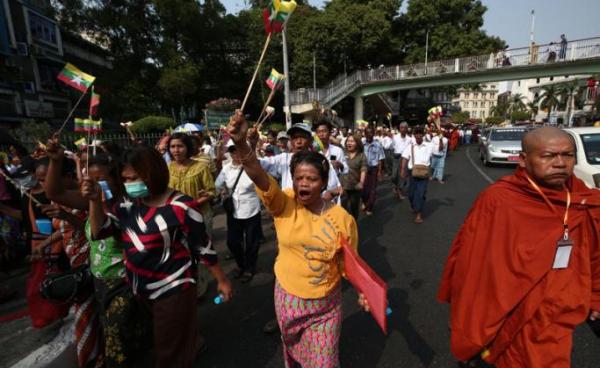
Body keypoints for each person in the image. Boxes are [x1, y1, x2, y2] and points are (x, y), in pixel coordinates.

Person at [437, 127, 600, 368]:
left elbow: (595, 253)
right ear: (523, 160)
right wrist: (469, 313)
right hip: (509, 307)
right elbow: (472, 263)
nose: (560, 163)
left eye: (567, 155)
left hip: (557, 313)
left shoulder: (583, 200)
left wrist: (595, 296)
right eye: (548, 156)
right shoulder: (499, 199)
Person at [226, 110, 369, 368]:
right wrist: (240, 142)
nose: (304, 183)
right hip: (288, 299)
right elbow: (256, 172)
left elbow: (350, 263)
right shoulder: (284, 203)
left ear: (324, 183)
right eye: (299, 178)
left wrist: (364, 291)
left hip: (326, 308)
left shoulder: (342, 219)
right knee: (295, 356)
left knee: (324, 362)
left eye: (312, 179)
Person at [83, 145, 232, 368]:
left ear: (153, 173)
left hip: (173, 288)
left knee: (167, 352)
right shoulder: (125, 205)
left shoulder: (181, 206)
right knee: (161, 338)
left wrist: (221, 280)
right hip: (139, 287)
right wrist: (95, 201)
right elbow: (99, 232)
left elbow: (203, 247)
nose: (130, 184)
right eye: (126, 179)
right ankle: (190, 343)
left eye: (135, 178)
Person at [167, 133, 216, 297]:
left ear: (188, 147)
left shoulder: (201, 167)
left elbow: (211, 192)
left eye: (180, 146)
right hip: (175, 218)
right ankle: (186, 286)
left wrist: (193, 204)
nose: (176, 150)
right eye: (172, 146)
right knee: (181, 253)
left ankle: (201, 287)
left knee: (200, 252)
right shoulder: (168, 168)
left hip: (200, 216)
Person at [256, 122, 342, 202]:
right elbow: (257, 164)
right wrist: (250, 145)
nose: (298, 141)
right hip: (290, 212)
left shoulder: (321, 161)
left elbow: (333, 189)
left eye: (302, 137)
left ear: (311, 140)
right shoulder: (284, 159)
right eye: (295, 138)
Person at [215, 141, 262, 282]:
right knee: (232, 241)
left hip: (252, 209)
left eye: (239, 150)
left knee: (252, 242)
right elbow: (217, 185)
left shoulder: (253, 167)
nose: (236, 154)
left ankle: (249, 267)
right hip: (234, 210)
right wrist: (219, 192)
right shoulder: (226, 168)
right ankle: (241, 264)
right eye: (233, 151)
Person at [401, 127, 433, 224]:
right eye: (417, 134)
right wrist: (403, 170)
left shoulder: (429, 146)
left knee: (421, 193)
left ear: (423, 135)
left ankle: (418, 214)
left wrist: (440, 137)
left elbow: (440, 149)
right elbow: (405, 158)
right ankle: (414, 205)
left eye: (420, 134)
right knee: (410, 194)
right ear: (414, 135)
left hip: (424, 173)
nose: (418, 136)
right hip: (413, 173)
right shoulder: (410, 146)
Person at [340, 134, 367, 220]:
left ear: (357, 143)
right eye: (348, 141)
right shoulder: (342, 153)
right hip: (342, 187)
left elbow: (364, 169)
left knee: (354, 209)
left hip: (355, 187)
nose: (349, 143)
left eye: (352, 141)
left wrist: (361, 182)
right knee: (342, 209)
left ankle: (353, 226)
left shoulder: (361, 155)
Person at [361, 127, 385, 216]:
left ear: (373, 134)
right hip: (363, 169)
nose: (369, 135)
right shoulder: (362, 144)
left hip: (374, 169)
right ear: (365, 134)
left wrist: (379, 172)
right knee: (363, 189)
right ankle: (364, 201)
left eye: (371, 133)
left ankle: (370, 207)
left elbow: (380, 159)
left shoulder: (378, 145)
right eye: (367, 133)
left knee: (372, 190)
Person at [392, 123, 411, 199]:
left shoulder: (410, 139)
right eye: (401, 128)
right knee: (394, 176)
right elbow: (389, 146)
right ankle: (396, 186)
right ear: (399, 129)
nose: (403, 129)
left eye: (404, 128)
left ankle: (400, 191)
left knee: (402, 176)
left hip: (405, 159)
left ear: (407, 129)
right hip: (396, 158)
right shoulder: (395, 137)